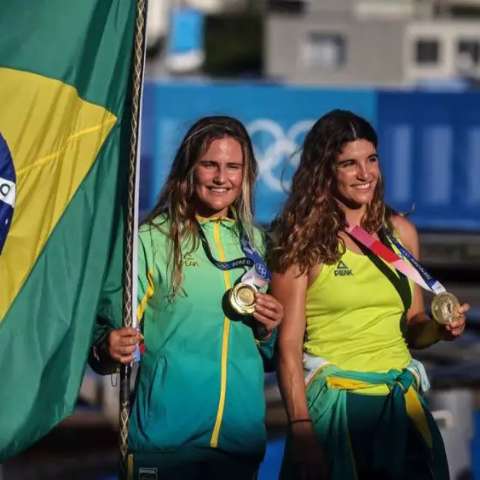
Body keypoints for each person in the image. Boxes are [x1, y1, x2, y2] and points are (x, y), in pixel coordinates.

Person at [270, 109, 469, 480]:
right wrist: (300, 426)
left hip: (401, 406)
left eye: (371, 160)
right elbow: (288, 347)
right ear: (324, 171)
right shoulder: (300, 241)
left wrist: (440, 328)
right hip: (336, 408)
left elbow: (414, 326)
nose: (365, 174)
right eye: (349, 164)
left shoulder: (400, 233)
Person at [89, 116, 283, 479]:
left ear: (247, 175)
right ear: (188, 170)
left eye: (233, 167)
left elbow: (268, 357)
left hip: (238, 446)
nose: (221, 178)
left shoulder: (256, 245)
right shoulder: (153, 239)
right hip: (166, 443)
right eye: (209, 165)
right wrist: (107, 345)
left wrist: (267, 330)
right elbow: (106, 343)